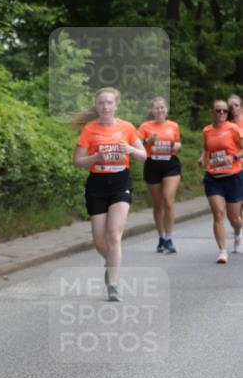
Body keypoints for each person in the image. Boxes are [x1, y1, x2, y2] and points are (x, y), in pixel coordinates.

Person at [73, 88, 146, 301]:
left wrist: (131, 150)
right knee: (99, 240)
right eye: (101, 103)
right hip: (97, 183)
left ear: (116, 105)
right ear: (97, 106)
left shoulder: (127, 128)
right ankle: (111, 263)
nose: (105, 106)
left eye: (109, 103)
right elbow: (77, 162)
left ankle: (112, 285)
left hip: (120, 181)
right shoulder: (89, 129)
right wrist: (96, 156)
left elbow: (143, 156)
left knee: (114, 234)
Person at [136, 97, 182, 253]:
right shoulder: (145, 126)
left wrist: (173, 145)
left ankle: (169, 238)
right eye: (156, 108)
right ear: (152, 110)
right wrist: (148, 140)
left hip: (170, 164)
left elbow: (178, 143)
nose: (159, 110)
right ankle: (161, 237)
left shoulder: (173, 125)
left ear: (166, 109)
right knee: (158, 204)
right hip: (152, 165)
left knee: (168, 199)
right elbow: (136, 145)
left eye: (162, 107)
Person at [200, 99, 243, 262]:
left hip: (233, 176)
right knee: (218, 214)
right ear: (212, 112)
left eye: (225, 111)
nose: (222, 114)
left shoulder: (233, 128)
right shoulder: (207, 130)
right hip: (214, 177)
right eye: (218, 110)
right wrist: (203, 159)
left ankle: (238, 232)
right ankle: (222, 251)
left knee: (235, 218)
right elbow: (207, 149)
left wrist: (232, 157)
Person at [227, 93, 243, 241]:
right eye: (230, 106)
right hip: (234, 167)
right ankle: (238, 228)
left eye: (236, 105)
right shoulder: (226, 124)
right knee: (237, 202)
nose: (233, 108)